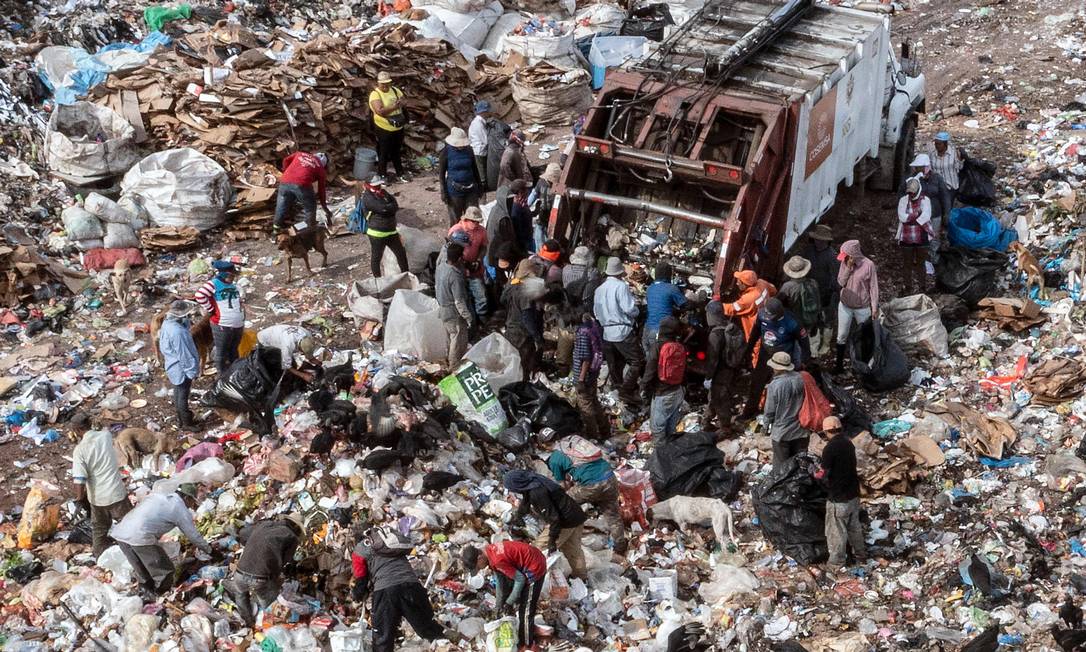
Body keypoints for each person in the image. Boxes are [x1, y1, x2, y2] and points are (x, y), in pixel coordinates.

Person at [351, 527, 450, 652]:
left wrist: (357, 596)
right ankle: (446, 647)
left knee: (383, 637)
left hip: (386, 591)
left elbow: (360, 581)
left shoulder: (359, 550)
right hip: (413, 587)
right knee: (428, 628)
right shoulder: (389, 544)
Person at [110, 484, 211, 595]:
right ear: (187, 498)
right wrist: (211, 551)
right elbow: (193, 536)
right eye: (192, 502)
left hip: (121, 533)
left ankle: (147, 598)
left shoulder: (160, 496)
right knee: (165, 572)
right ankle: (161, 596)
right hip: (139, 536)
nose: (191, 506)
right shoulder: (179, 507)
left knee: (143, 573)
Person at [503, 470, 587, 580]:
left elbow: (554, 519)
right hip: (576, 515)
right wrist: (519, 515)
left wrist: (552, 540)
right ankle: (581, 578)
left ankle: (530, 578)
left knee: (538, 548)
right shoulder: (534, 480)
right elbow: (526, 500)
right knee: (573, 551)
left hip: (565, 522)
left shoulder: (537, 493)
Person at [549, 436, 626, 554]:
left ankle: (558, 540)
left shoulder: (554, 458)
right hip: (610, 478)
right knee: (613, 516)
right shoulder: (573, 441)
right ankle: (620, 548)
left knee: (563, 502)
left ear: (543, 445)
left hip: (592, 486)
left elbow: (562, 486)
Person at [462, 541, 546, 648]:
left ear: (479, 558)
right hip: (527, 562)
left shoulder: (497, 560)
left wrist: (509, 602)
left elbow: (520, 579)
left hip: (534, 566)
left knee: (526, 611)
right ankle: (524, 634)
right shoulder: (490, 551)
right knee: (515, 597)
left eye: (478, 567)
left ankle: (525, 645)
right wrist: (499, 606)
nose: (480, 569)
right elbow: (500, 582)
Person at [224, 514, 303, 626]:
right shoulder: (292, 537)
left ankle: (249, 623)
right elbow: (285, 561)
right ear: (296, 527)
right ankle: (270, 626)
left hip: (239, 573)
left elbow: (243, 535)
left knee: (241, 595)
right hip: (259, 579)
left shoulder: (264, 525)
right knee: (267, 602)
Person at [70, 412, 130, 556]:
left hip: (98, 498)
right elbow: (103, 430)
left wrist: (79, 500)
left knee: (99, 530)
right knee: (129, 526)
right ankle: (134, 555)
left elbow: (79, 479)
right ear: (89, 424)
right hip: (117, 493)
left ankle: (99, 556)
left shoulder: (80, 450)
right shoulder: (105, 436)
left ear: (77, 430)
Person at [814, 415, 866, 569]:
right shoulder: (848, 443)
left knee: (836, 532)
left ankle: (836, 564)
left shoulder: (830, 448)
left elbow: (822, 474)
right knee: (854, 527)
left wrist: (814, 472)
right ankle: (861, 556)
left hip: (838, 498)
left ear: (826, 432)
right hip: (853, 495)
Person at [593, 257, 644, 407]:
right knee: (637, 360)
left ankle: (617, 388)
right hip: (622, 330)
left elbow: (597, 313)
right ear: (620, 272)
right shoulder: (621, 286)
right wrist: (637, 311)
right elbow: (629, 309)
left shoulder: (599, 289)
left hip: (606, 332)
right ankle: (626, 390)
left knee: (615, 362)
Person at [696, 301, 742, 431]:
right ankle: (707, 419)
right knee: (715, 395)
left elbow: (713, 359)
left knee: (720, 398)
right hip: (730, 368)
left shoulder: (715, 334)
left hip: (720, 371)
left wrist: (708, 377)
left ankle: (725, 427)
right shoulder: (730, 327)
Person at [835, 240, 879, 373]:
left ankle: (862, 365)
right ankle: (839, 365)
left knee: (864, 336)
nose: (845, 258)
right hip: (845, 305)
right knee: (841, 335)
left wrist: (874, 307)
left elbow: (873, 287)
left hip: (862, 307)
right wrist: (848, 267)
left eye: (847, 256)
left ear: (853, 255)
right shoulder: (844, 263)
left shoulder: (868, 265)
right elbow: (841, 282)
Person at [641, 316, 687, 442]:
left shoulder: (658, 346)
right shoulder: (678, 346)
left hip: (663, 394)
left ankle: (661, 457)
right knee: (671, 428)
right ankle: (671, 451)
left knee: (658, 429)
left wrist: (644, 388)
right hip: (678, 391)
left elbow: (650, 371)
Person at [194, 260, 244, 374]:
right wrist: (211, 309)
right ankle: (222, 377)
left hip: (237, 325)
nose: (233, 277)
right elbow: (199, 295)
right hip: (222, 324)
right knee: (221, 353)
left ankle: (235, 374)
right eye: (231, 275)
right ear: (224, 274)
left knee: (234, 351)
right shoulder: (213, 284)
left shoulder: (232, 285)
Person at [159, 300, 202, 430]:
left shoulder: (167, 323)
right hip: (181, 368)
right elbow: (185, 354)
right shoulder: (178, 332)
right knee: (182, 394)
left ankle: (181, 420)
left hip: (172, 365)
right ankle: (187, 423)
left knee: (178, 393)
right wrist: (191, 371)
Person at [763, 351, 809, 470]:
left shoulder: (775, 385)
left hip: (782, 433)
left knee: (782, 469)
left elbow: (769, 411)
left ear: (777, 368)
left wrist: (765, 427)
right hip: (801, 430)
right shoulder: (801, 378)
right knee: (800, 466)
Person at [356, 175, 408, 279]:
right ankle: (378, 280)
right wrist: (388, 208)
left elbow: (395, 206)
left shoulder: (383, 193)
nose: (378, 186)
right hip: (377, 234)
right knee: (376, 258)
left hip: (391, 232)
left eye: (379, 184)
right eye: (376, 185)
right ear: (367, 185)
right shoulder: (367, 197)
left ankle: (406, 276)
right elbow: (382, 208)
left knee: (401, 255)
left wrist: (388, 208)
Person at [502, 260, 545, 379]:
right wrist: (537, 337)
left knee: (512, 362)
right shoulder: (525, 291)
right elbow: (527, 318)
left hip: (510, 328)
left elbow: (502, 300)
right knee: (522, 365)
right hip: (522, 334)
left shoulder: (511, 284)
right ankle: (521, 386)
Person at [800, 225, 839, 356]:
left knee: (828, 319)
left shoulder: (832, 256)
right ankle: (813, 346)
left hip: (826, 292)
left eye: (821, 240)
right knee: (812, 318)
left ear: (827, 241)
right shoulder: (809, 250)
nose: (818, 242)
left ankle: (826, 345)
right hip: (810, 291)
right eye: (816, 239)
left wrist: (830, 293)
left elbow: (835, 277)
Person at [906, 153, 952, 263]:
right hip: (919, 214)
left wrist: (946, 213)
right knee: (918, 236)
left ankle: (931, 259)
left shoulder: (937, 178)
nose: (917, 169)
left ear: (926, 167)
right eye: (916, 168)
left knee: (933, 238)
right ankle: (919, 258)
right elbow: (905, 195)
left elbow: (945, 196)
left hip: (935, 214)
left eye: (920, 167)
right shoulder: (913, 179)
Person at [435, 242, 474, 369]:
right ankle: (454, 367)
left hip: (442, 307)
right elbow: (459, 301)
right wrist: (468, 317)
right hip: (453, 312)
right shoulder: (455, 276)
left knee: (449, 337)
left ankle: (448, 361)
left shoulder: (441, 267)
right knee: (456, 340)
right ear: (458, 259)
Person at [571, 312, 609, 439]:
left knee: (586, 408)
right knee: (594, 402)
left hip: (584, 376)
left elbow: (585, 359)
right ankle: (605, 431)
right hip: (593, 373)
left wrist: (581, 379)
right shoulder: (593, 327)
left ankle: (592, 436)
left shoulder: (582, 332)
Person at [448, 206, 489, 320]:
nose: (476, 224)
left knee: (481, 297)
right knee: (462, 298)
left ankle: (482, 319)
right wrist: (462, 264)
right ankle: (469, 321)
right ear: (466, 219)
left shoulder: (481, 231)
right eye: (473, 221)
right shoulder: (456, 230)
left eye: (478, 221)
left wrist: (479, 260)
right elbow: (449, 252)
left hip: (474, 269)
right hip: (458, 269)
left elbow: (483, 247)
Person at [274, 151, 332, 230]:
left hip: (284, 181)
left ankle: (276, 230)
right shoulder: (320, 168)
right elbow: (321, 190)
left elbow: (286, 160)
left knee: (282, 206)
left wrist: (285, 171)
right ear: (324, 163)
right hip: (302, 184)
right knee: (310, 207)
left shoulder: (299, 154)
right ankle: (309, 229)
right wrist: (324, 207)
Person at [438, 127, 483, 226]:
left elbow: (475, 169)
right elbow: (441, 175)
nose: (461, 146)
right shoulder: (445, 152)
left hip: (471, 189)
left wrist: (480, 186)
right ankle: (455, 240)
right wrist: (443, 192)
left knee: (473, 218)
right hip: (454, 192)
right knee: (456, 221)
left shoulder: (469, 150)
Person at [897, 177, 933, 296]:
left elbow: (926, 216)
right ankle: (908, 287)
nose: (911, 195)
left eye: (913, 193)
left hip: (922, 236)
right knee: (907, 263)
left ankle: (922, 287)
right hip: (906, 237)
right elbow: (902, 217)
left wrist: (910, 218)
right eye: (909, 193)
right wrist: (917, 214)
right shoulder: (903, 200)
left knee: (921, 263)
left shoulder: (925, 200)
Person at [642, 262, 687, 354]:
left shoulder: (650, 288)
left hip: (647, 330)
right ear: (668, 274)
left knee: (650, 359)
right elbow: (685, 304)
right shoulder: (672, 288)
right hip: (662, 332)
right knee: (663, 361)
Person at [369, 71, 406, 181]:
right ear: (378, 83)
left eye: (387, 83)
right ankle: (382, 175)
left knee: (396, 151)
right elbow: (380, 111)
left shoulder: (395, 90)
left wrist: (402, 103)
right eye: (382, 84)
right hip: (383, 128)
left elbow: (404, 101)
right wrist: (395, 106)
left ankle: (400, 173)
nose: (385, 86)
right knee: (383, 152)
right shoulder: (375, 94)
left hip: (398, 127)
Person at [723, 269, 776, 345]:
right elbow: (773, 290)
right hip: (765, 320)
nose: (737, 283)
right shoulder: (762, 283)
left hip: (754, 328)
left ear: (745, 284)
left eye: (739, 281)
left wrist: (715, 304)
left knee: (755, 346)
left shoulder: (748, 299)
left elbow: (731, 309)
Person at [778, 256, 821, 344]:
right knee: (810, 338)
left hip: (796, 320)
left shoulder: (787, 287)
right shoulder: (813, 282)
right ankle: (813, 353)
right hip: (811, 317)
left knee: (798, 341)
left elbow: (779, 302)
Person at [529, 163, 561, 250]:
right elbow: (534, 194)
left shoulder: (559, 187)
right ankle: (539, 252)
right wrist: (527, 205)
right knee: (539, 234)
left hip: (553, 213)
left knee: (549, 235)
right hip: (543, 212)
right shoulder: (541, 182)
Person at [927, 131, 963, 204]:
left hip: (950, 187)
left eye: (939, 144)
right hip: (937, 187)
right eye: (936, 144)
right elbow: (930, 168)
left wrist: (960, 160)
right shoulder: (932, 154)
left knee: (947, 207)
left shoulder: (953, 153)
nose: (937, 146)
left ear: (945, 144)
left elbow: (960, 168)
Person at [468, 100, 492, 183]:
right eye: (488, 111)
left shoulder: (480, 122)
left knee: (482, 169)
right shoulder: (478, 124)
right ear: (484, 112)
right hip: (479, 151)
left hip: (479, 150)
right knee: (481, 170)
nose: (489, 112)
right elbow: (485, 140)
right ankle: (483, 186)